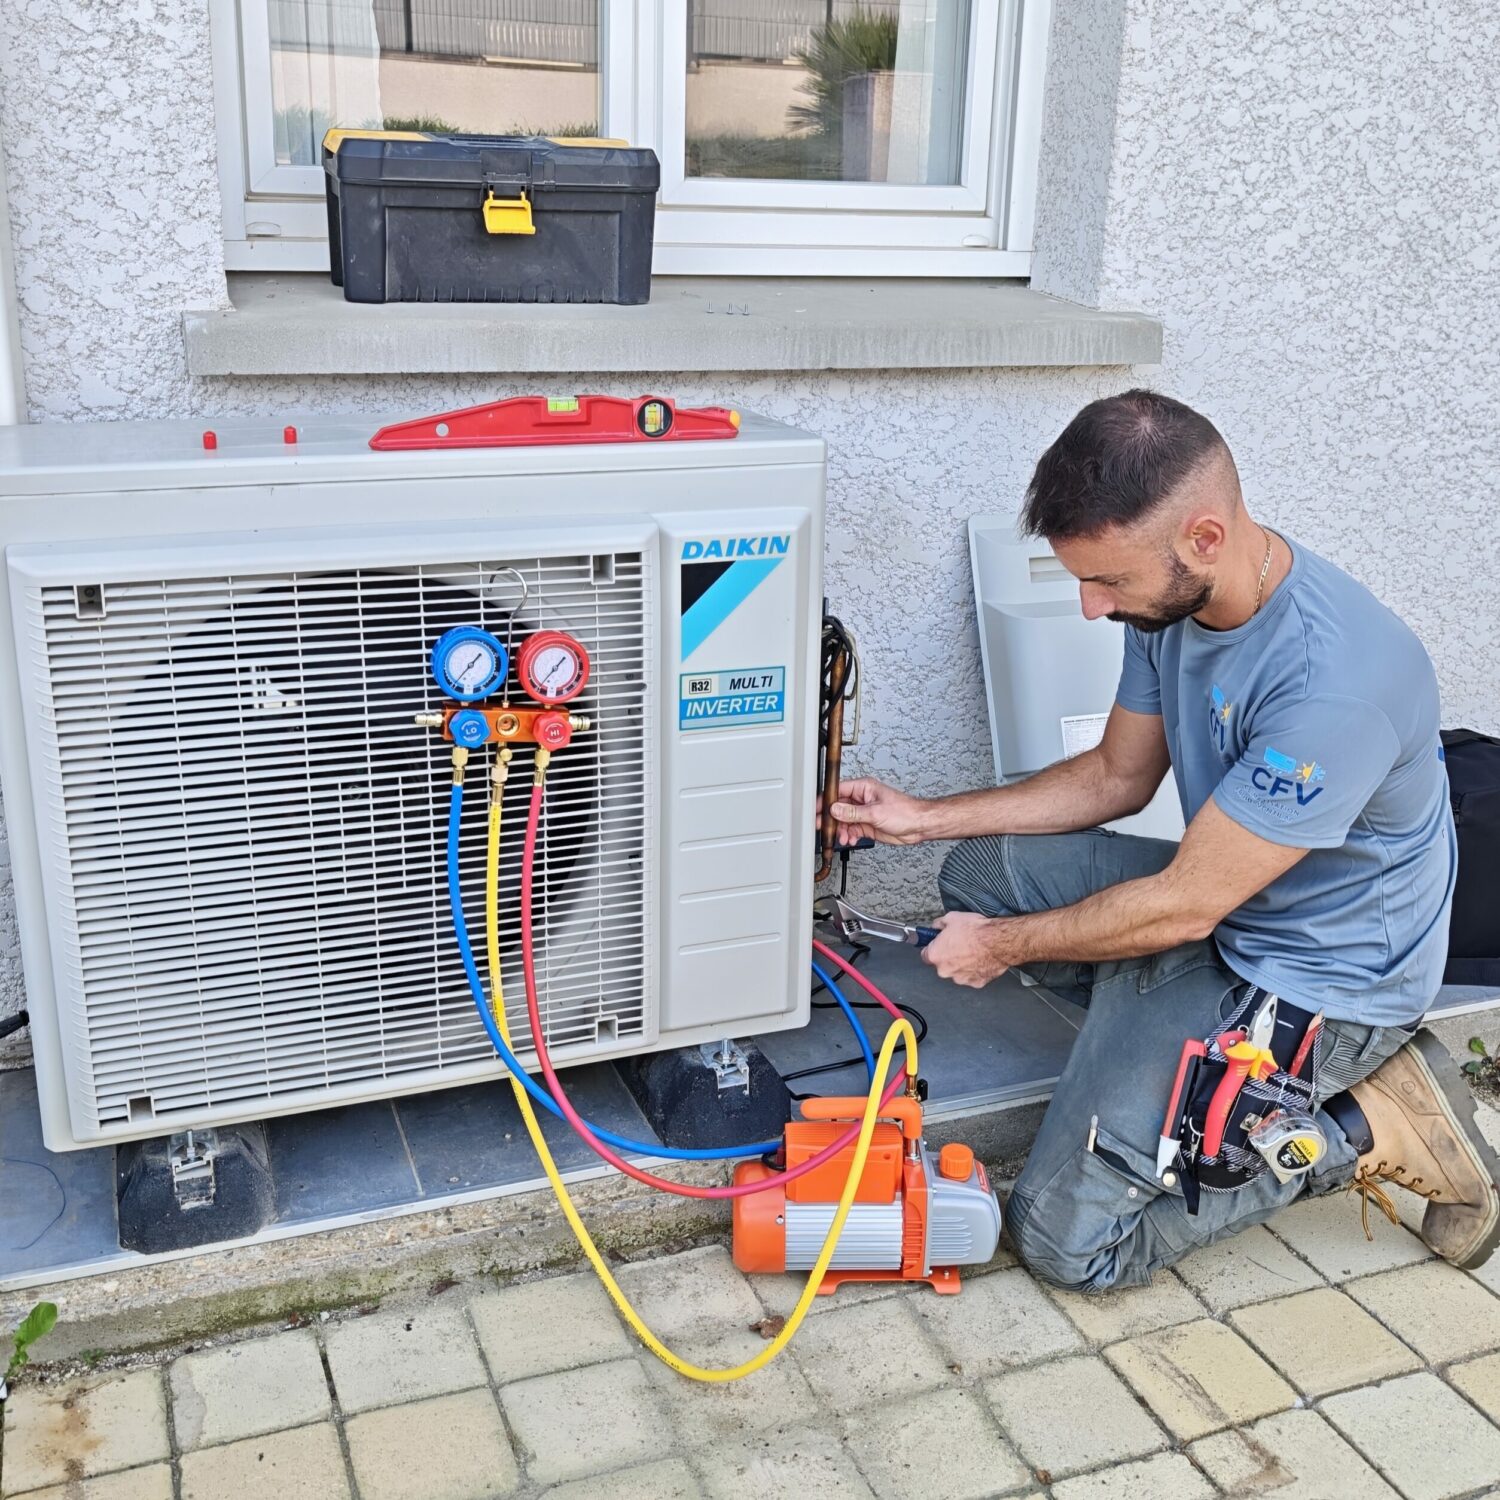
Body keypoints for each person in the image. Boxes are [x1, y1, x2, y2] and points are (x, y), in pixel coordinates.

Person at [829, 389, 1499, 1289]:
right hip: (1220, 903)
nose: (1090, 606)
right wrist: (922, 817)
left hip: (1321, 981)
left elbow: (1181, 907)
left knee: (1066, 1246)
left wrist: (1001, 947)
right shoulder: (1176, 604)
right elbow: (1116, 776)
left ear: (1204, 538)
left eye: (1108, 581)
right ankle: (1157, 1039)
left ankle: (1362, 1124)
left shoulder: (1335, 686)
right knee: (982, 871)